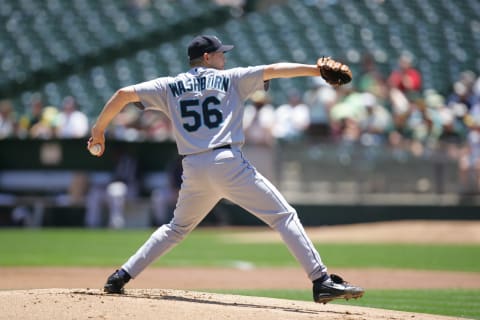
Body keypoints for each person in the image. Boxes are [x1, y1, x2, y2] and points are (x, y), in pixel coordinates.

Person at [88, 35, 364, 304]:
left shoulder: (169, 85)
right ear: (207, 57)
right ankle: (321, 280)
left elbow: (123, 94)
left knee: (176, 228)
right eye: (221, 52)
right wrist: (315, 70)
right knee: (284, 216)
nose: (224, 56)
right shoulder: (231, 78)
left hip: (193, 166)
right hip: (227, 160)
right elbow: (275, 70)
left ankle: (121, 276)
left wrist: (99, 131)